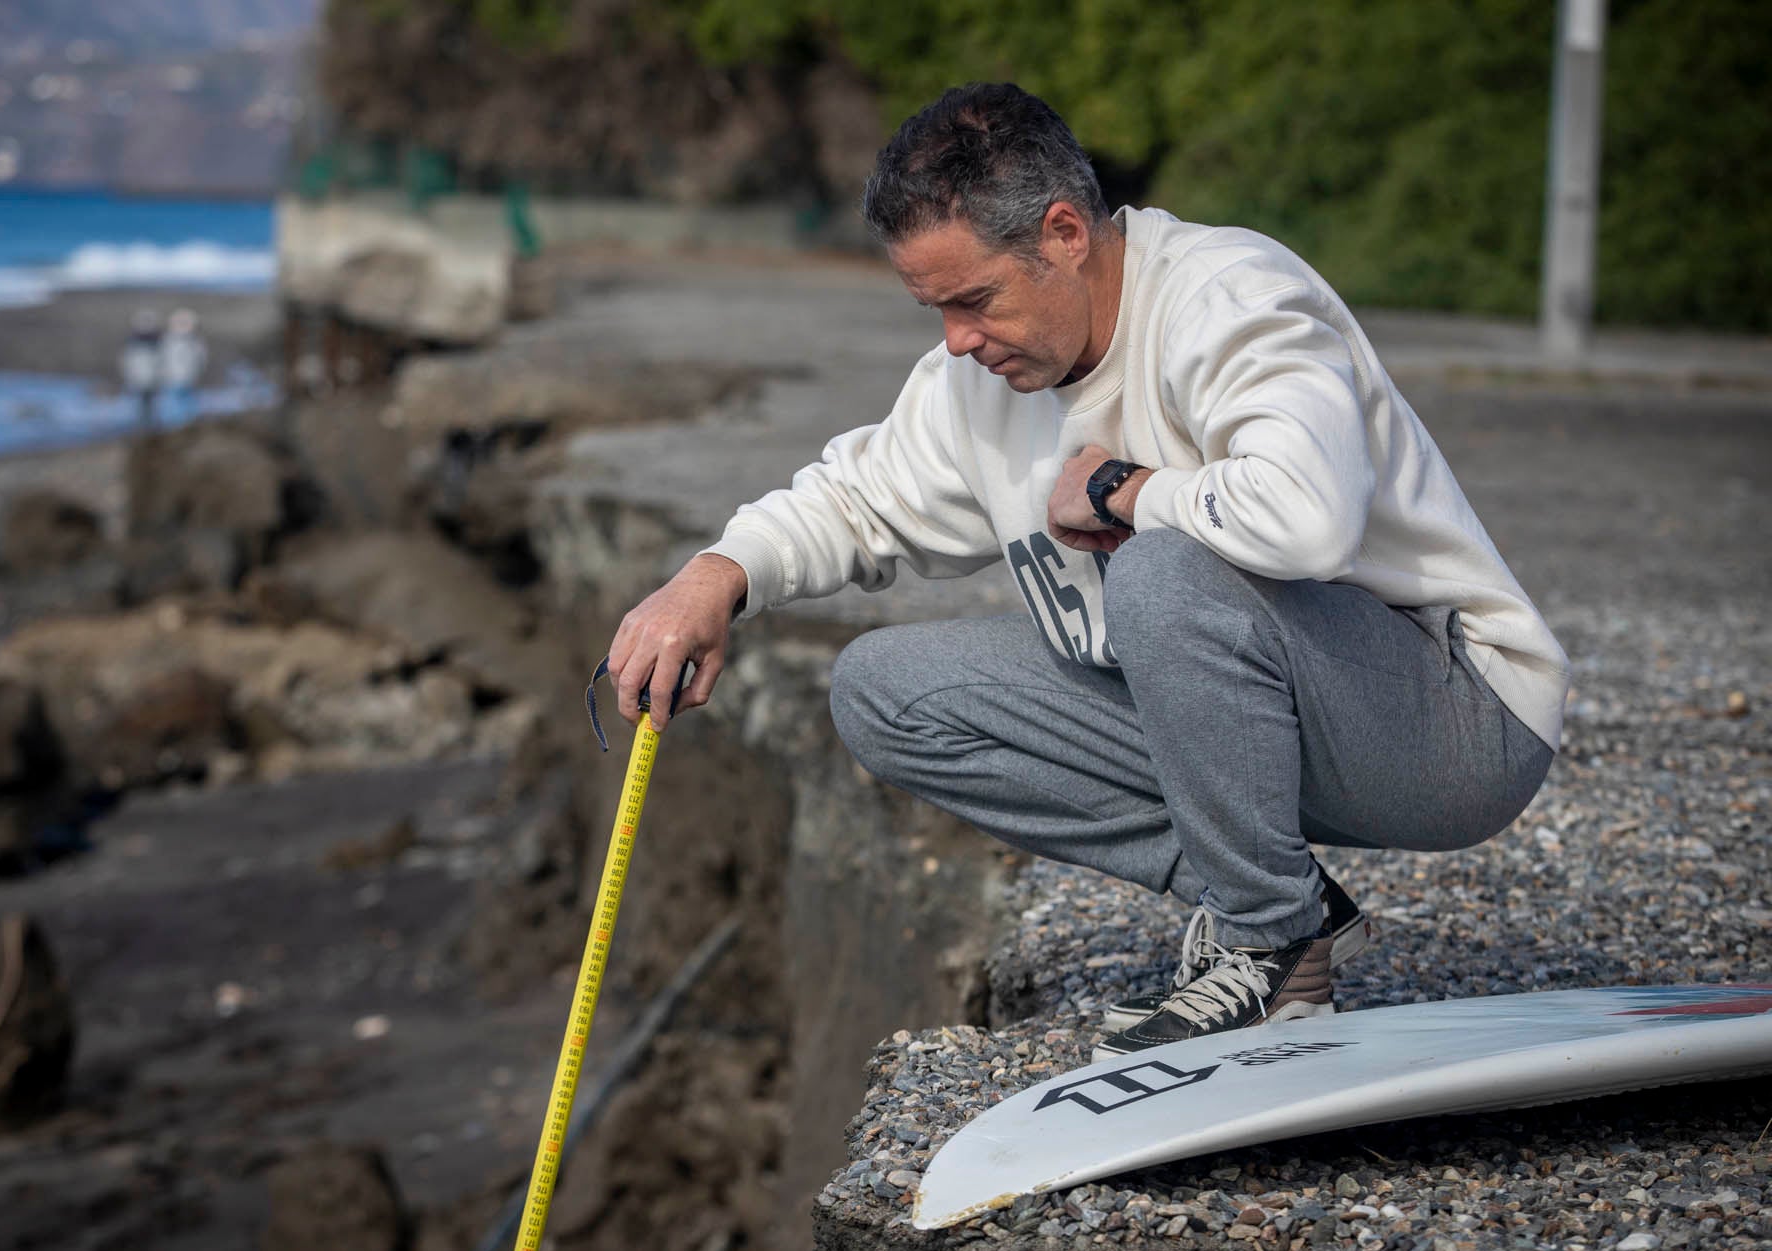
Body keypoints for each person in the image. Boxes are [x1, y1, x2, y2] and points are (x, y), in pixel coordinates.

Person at [606, 83, 1567, 1055]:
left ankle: (1270, 953)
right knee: (882, 691)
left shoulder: (1226, 296)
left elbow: (1307, 518)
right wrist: (713, 576)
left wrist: (1119, 489)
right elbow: (855, 499)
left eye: (972, 300)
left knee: (1159, 573)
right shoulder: (973, 382)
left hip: (1451, 723)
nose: (954, 342)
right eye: (932, 309)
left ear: (1063, 233)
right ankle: (1278, 902)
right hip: (1260, 723)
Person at [160, 308, 208, 423]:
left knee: (188, 405)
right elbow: (163, 359)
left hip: (188, 379)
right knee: (172, 407)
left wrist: (197, 372)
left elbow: (201, 359)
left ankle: (188, 426)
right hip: (172, 379)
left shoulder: (195, 342)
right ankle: (175, 427)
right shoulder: (168, 341)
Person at [120, 308, 163, 430]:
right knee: (140, 407)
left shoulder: (158, 342)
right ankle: (142, 429)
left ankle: (150, 429)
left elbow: (161, 361)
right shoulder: (133, 343)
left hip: (152, 380)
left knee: (152, 407)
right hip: (139, 380)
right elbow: (128, 362)